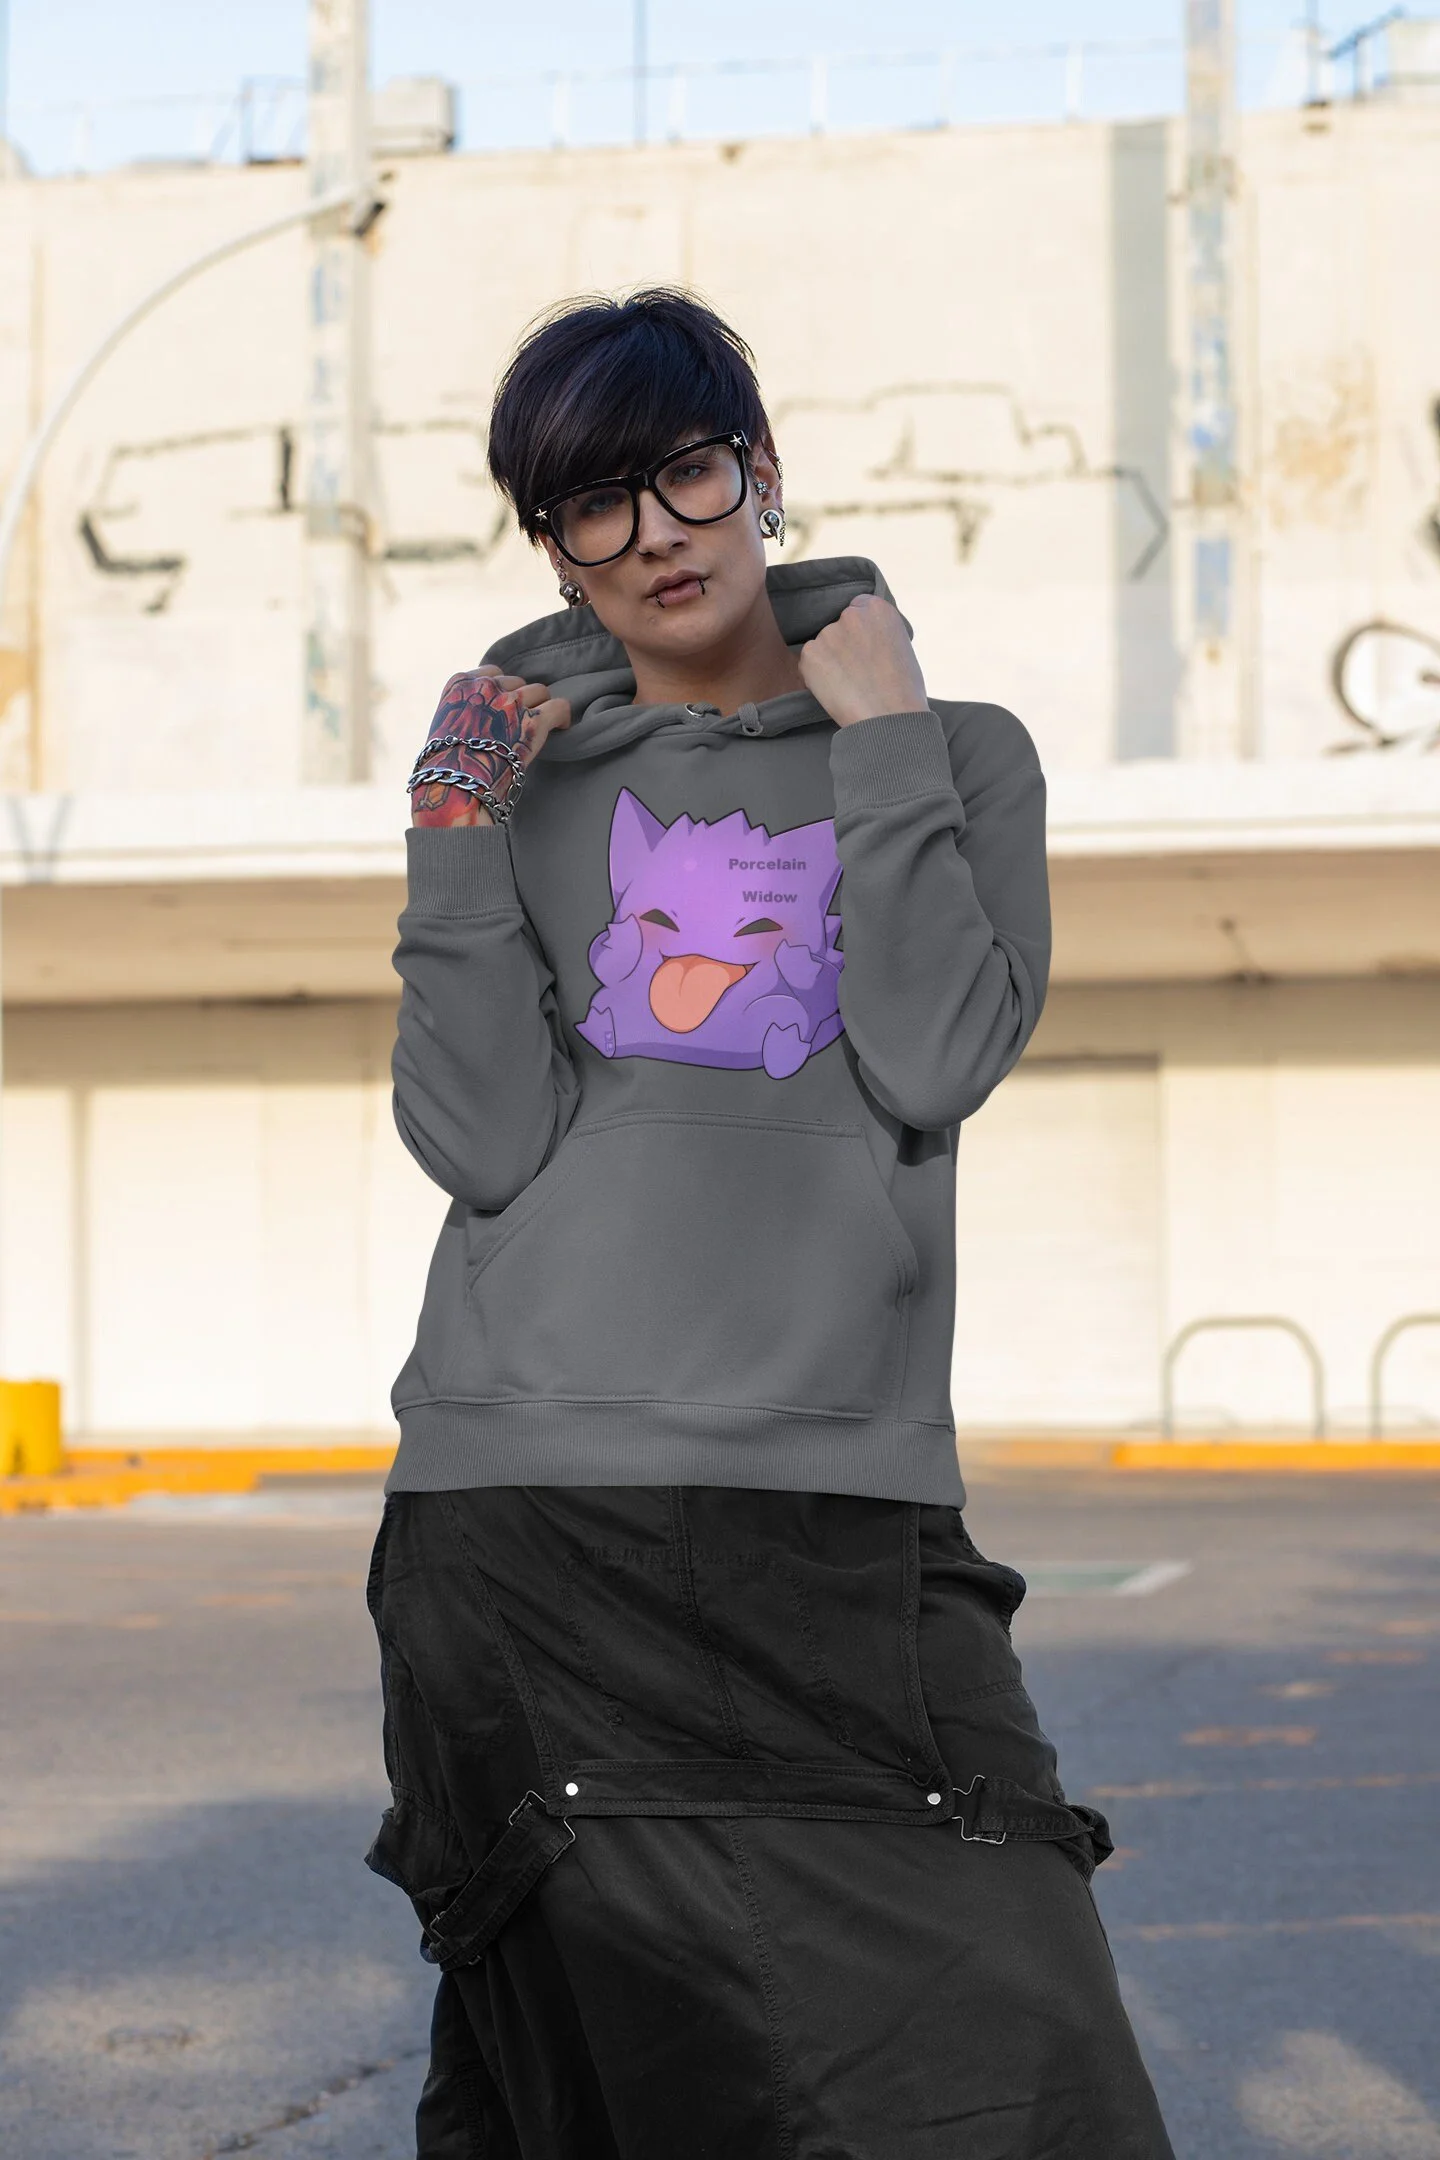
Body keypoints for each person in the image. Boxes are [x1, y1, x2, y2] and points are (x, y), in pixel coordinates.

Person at [365, 286, 1175, 2159]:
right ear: (552, 545)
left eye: (686, 474)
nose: (654, 533)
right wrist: (450, 840)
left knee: (1028, 2040)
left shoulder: (962, 753)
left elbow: (936, 1057)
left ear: (762, 472)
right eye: (592, 504)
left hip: (841, 1506)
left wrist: (882, 742)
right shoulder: (523, 789)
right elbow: (479, 1141)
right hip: (529, 1515)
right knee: (619, 2088)